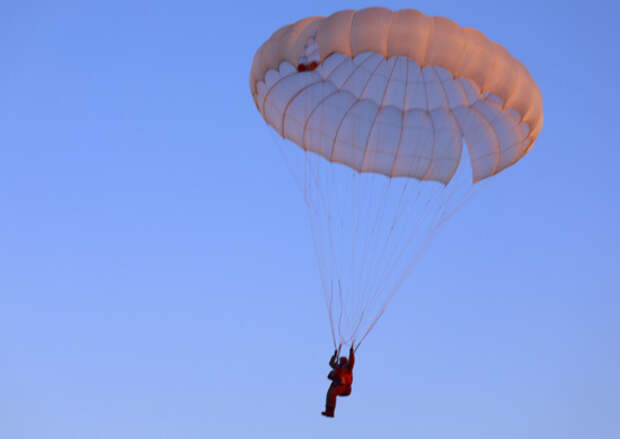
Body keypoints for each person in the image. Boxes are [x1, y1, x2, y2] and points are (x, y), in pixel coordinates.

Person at [321, 344, 355, 417]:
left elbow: (352, 361)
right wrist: (334, 356)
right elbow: (331, 363)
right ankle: (328, 411)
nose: (340, 363)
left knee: (333, 393)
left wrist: (351, 352)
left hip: (345, 387)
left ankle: (331, 412)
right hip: (338, 383)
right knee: (329, 393)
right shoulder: (338, 367)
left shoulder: (348, 368)